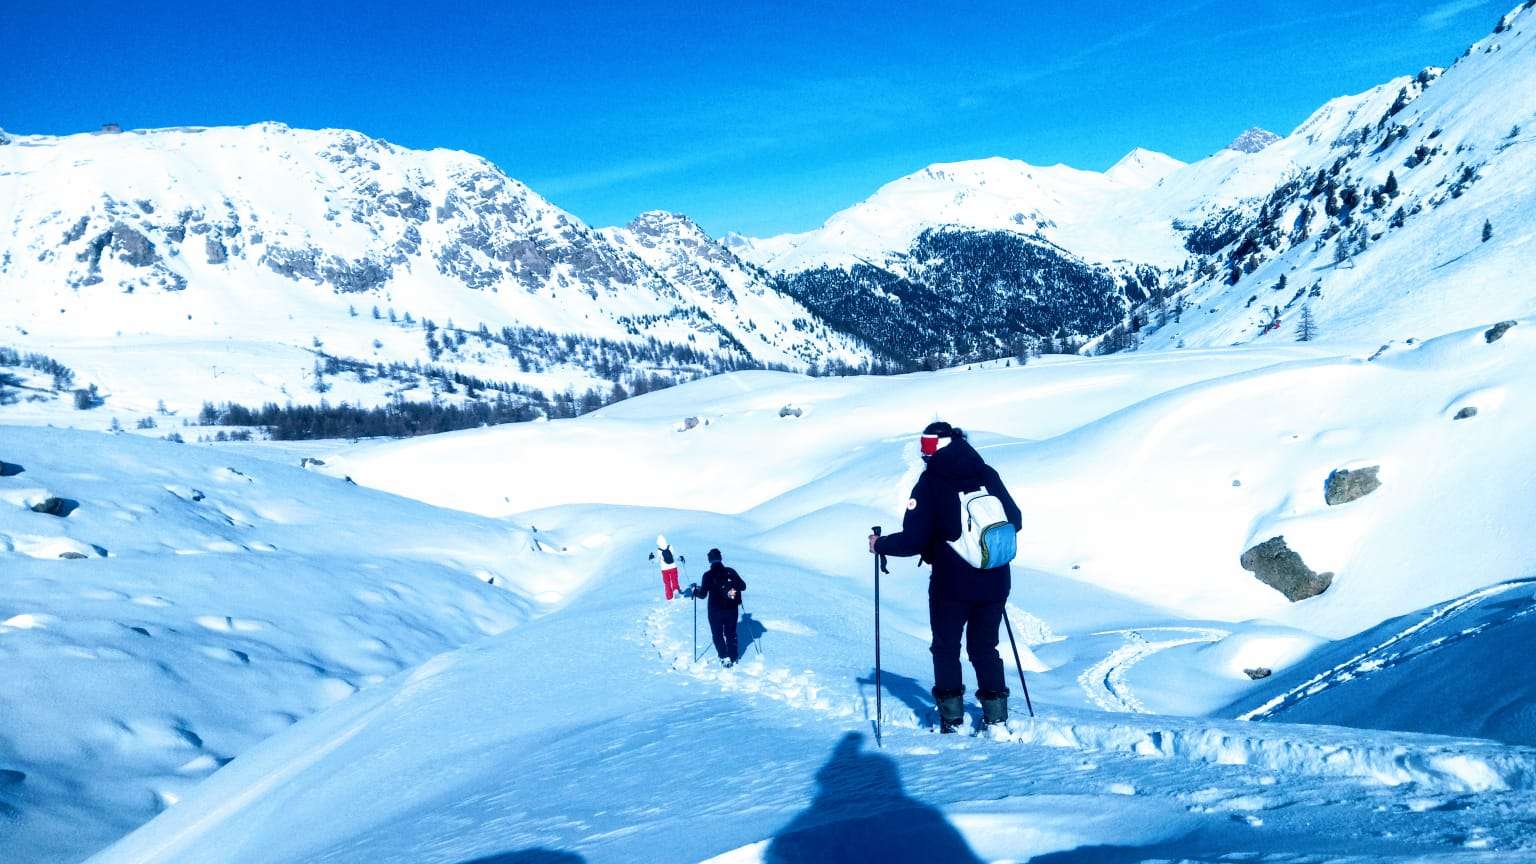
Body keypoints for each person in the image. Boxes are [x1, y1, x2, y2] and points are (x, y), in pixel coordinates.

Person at [869, 421, 1021, 733]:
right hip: (995, 578)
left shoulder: (931, 483)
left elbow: (913, 541)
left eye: (925, 450)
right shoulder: (986, 473)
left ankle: (952, 720)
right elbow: (1015, 521)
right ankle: (997, 718)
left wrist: (880, 545)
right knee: (984, 648)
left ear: (931, 451)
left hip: (952, 584)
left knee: (946, 648)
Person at [690, 548, 747, 666]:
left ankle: (724, 657)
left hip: (715, 610)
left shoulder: (707, 575)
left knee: (717, 634)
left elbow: (703, 595)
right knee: (731, 634)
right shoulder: (730, 571)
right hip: (731, 609)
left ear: (709, 560)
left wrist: (695, 591)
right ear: (721, 558)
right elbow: (743, 586)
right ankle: (733, 656)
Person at [648, 534, 685, 601]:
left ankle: (669, 596)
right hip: (673, 567)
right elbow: (675, 556)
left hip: (664, 570)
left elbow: (657, 560)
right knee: (674, 580)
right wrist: (681, 558)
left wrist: (651, 559)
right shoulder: (670, 547)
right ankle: (676, 591)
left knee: (667, 582)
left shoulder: (659, 550)